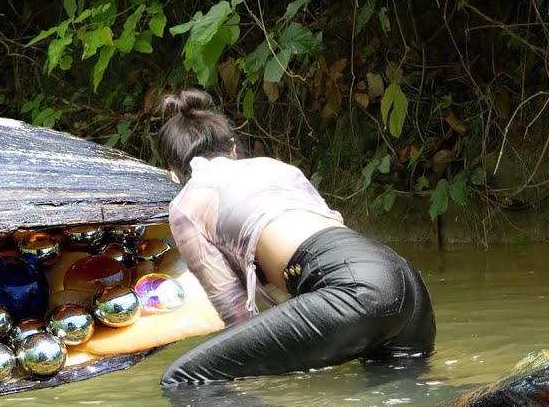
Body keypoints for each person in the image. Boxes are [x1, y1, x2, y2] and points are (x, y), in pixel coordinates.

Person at [155, 89, 436, 385]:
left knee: (183, 377)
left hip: (356, 292)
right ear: (233, 149)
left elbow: (234, 309)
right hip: (406, 283)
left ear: (172, 173)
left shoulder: (185, 205)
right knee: (408, 406)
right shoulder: (276, 168)